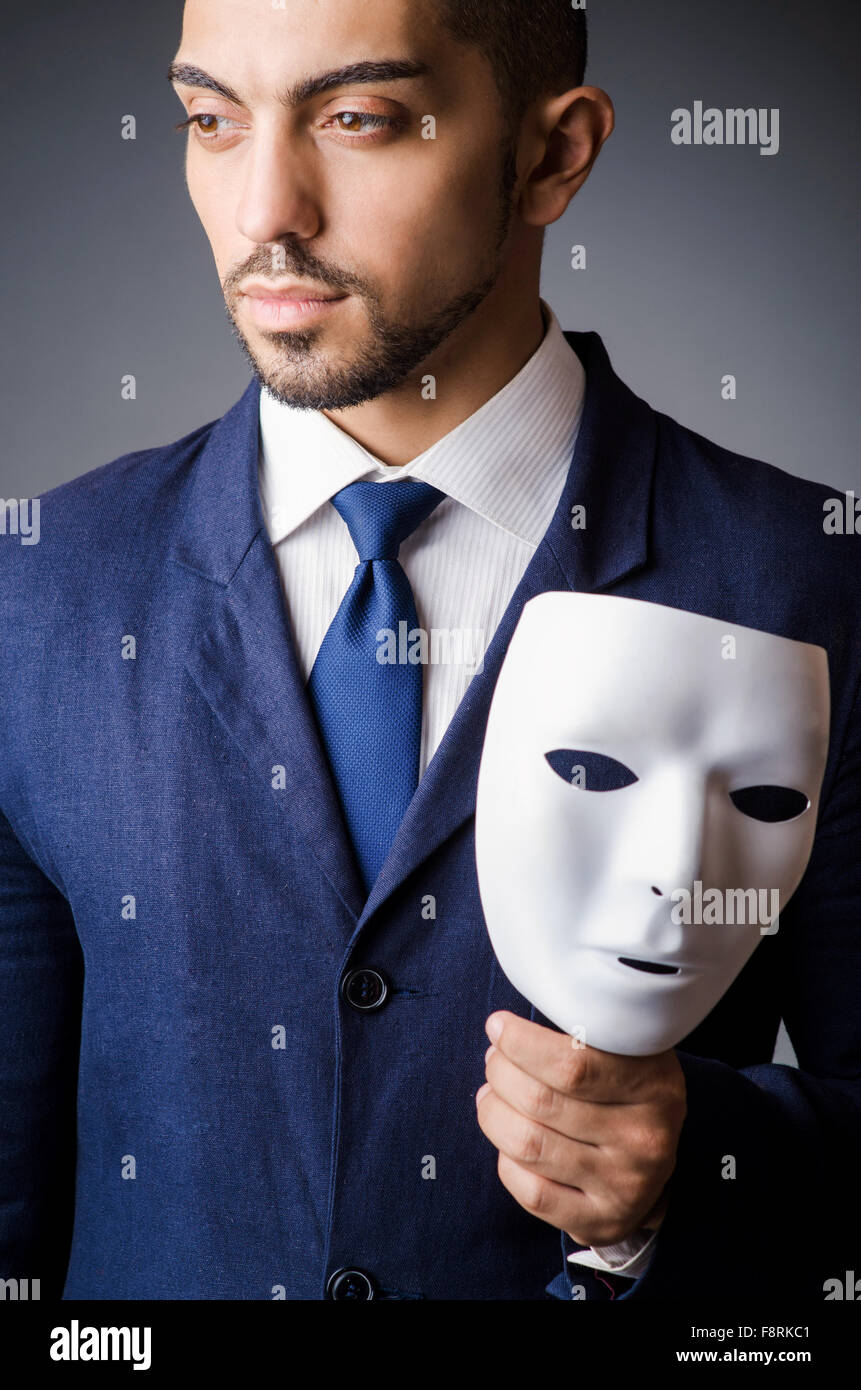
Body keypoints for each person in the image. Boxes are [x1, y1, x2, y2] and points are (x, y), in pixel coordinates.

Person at [0, 0, 858, 1302]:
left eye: (357, 118)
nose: (261, 212)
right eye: (211, 121)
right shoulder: (42, 584)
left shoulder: (810, 579)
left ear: (551, 156)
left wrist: (705, 1161)